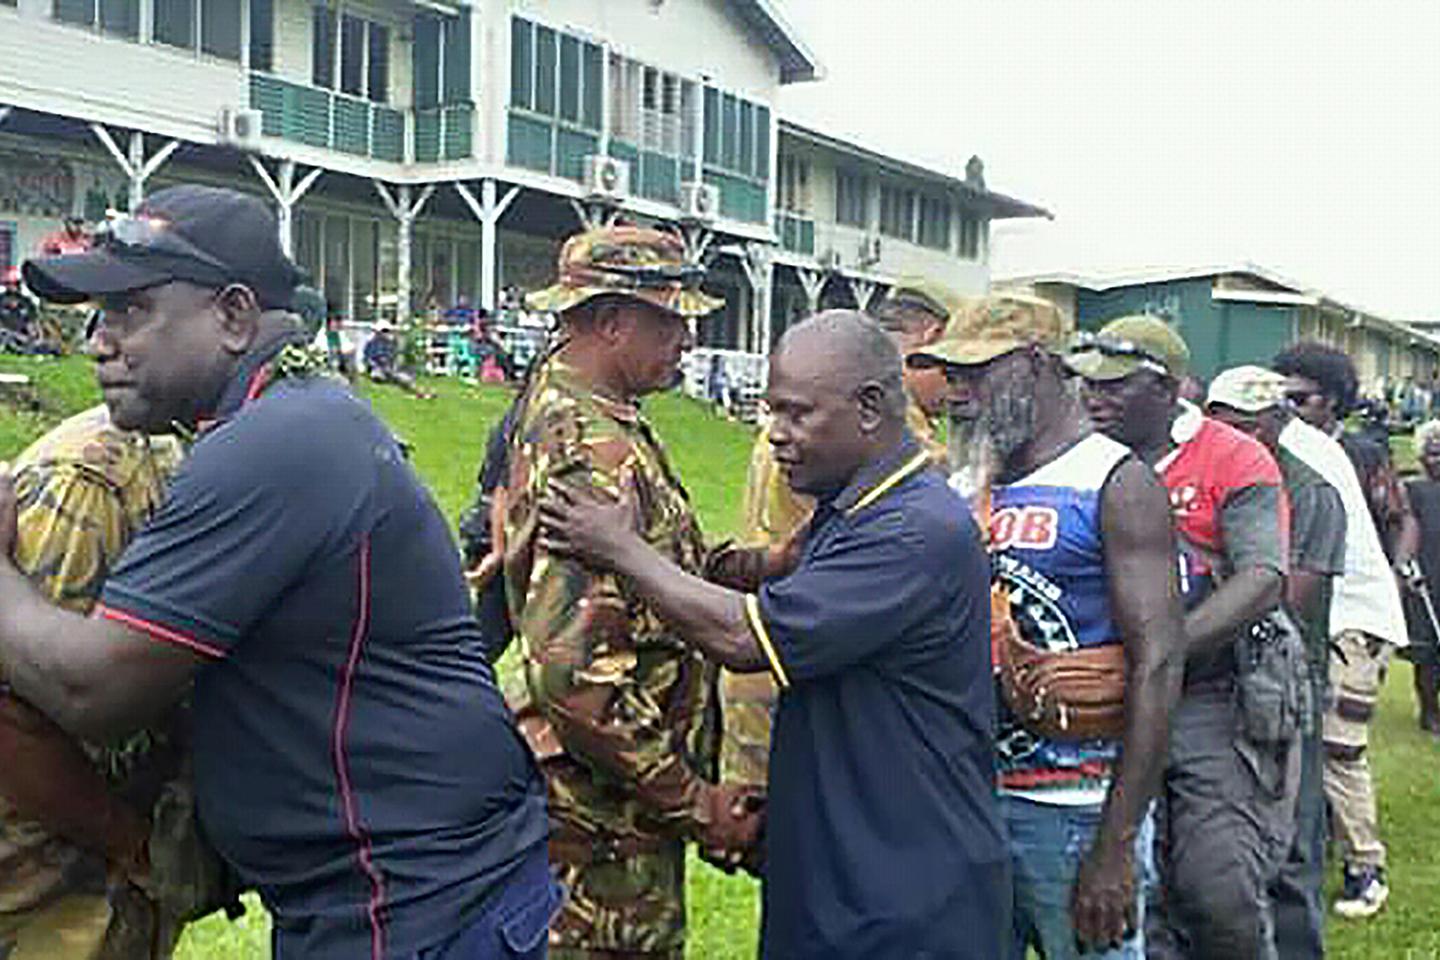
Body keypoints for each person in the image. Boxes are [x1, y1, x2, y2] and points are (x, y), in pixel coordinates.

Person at [12, 184, 554, 960]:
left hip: (411, 903)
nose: (99, 341)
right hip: (404, 889)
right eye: (98, 317)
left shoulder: (278, 444)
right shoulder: (291, 417)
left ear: (234, 316)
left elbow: (93, 690)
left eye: (131, 312)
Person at [539, 310, 1010, 959]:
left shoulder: (912, 529)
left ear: (870, 408)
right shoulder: (854, 512)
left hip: (901, 896)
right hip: (843, 870)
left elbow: (742, 638)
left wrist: (622, 550)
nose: (775, 436)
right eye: (770, 412)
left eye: (796, 414)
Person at [504, 225, 764, 960]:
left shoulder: (591, 412)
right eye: (670, 319)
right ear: (612, 321)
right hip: (604, 830)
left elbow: (653, 573)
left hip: (617, 814)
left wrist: (762, 564)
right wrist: (695, 802)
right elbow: (578, 675)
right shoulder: (590, 449)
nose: (686, 338)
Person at [909, 294, 1184, 960]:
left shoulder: (1113, 482)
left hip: (1074, 812)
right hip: (967, 806)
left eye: (976, 374)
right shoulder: (961, 487)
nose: (958, 393)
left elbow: (1159, 663)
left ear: (1036, 365)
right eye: (952, 376)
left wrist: (1115, 847)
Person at [1068, 316, 1304, 959]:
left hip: (1212, 692)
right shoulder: (1079, 458)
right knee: (1129, 890)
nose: (1096, 397)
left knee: (1216, 882)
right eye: (1090, 384)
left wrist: (1163, 654)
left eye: (1117, 386)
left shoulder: (1232, 455)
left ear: (1170, 388)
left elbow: (1262, 576)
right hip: (1105, 697)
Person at [0, 404, 195, 959]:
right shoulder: (90, 486)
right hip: (43, 894)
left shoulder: (188, 451)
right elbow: (13, 720)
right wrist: (133, 846)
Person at [1204, 366, 1347, 958]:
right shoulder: (1207, 474)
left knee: (1290, 844)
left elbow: (1285, 595)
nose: (1231, 437)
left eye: (1245, 427)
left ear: (1274, 425)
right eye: (1220, 423)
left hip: (1282, 683)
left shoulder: (1311, 492)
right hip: (1212, 680)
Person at [1272, 341, 1410, 919]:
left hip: (1358, 620)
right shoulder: (1310, 445)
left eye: (1297, 397)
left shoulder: (1309, 449)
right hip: (1334, 616)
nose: (1285, 406)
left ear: (1331, 402)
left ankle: (1365, 867)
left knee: (1339, 749)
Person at [1272, 341, 1419, 558]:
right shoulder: (1273, 450)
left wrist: (1400, 572)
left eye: (1299, 399)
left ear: (1332, 399)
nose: (1289, 408)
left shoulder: (1366, 455)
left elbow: (1399, 520)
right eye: (1282, 399)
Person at [1402, 419, 1440, 734]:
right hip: (1426, 578)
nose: (1436, 460)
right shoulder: (1412, 489)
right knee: (1426, 650)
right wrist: (1406, 567)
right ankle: (1430, 712)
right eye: (1431, 453)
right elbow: (1404, 529)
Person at [363, 320, 434, 398]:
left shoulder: (390, 342)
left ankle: (419, 393)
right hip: (376, 370)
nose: (386, 333)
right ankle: (420, 392)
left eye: (386, 331)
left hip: (388, 369)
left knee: (403, 378)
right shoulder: (372, 342)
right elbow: (368, 359)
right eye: (383, 331)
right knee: (395, 377)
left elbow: (392, 357)